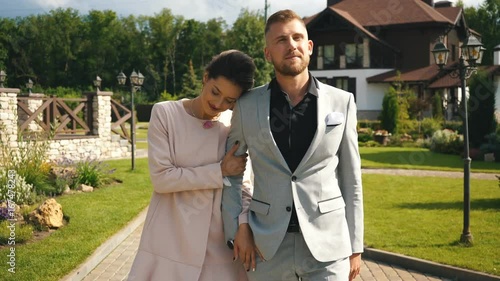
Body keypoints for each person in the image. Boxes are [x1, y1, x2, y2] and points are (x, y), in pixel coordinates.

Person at [221, 9, 364, 281]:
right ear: (267, 54)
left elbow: (351, 179)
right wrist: (237, 228)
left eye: (298, 37)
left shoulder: (341, 102)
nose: (291, 45)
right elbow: (233, 174)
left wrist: (355, 246)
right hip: (266, 246)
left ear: (309, 47)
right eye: (281, 40)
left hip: (328, 246)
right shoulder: (247, 105)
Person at [128, 50, 256, 281]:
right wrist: (219, 171)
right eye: (215, 92)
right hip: (170, 242)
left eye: (230, 100)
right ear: (206, 77)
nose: (218, 103)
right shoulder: (166, 113)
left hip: (220, 247)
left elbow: (243, 186)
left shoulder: (233, 125)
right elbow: (162, 178)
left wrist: (244, 225)